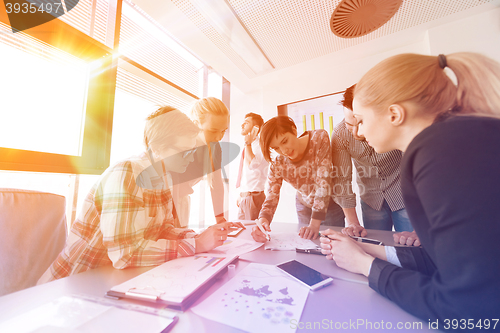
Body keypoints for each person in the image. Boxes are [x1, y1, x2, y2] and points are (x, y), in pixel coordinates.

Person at [320, 53, 500, 325]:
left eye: (362, 120)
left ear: (394, 114)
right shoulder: (456, 138)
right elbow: (441, 259)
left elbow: (467, 312)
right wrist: (362, 250)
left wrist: (364, 266)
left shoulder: (439, 154)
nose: (359, 132)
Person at [38, 106, 241, 283]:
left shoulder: (164, 178)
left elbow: (162, 230)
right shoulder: (127, 172)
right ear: (157, 147)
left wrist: (201, 235)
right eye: (183, 151)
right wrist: (196, 244)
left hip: (112, 279)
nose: (191, 158)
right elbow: (124, 255)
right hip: (77, 280)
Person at [332, 84, 418, 246]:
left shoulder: (394, 123)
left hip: (404, 195)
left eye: (361, 123)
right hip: (371, 199)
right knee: (375, 246)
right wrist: (352, 222)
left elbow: (416, 168)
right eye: (350, 126)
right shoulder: (340, 134)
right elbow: (342, 179)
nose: (357, 133)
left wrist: (421, 223)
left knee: (412, 247)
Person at [251, 116, 344, 241]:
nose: (283, 150)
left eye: (284, 141)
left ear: (294, 130)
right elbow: (272, 196)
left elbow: (323, 183)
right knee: (307, 245)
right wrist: (263, 220)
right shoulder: (278, 163)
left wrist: (314, 225)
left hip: (330, 204)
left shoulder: (319, 138)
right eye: (276, 148)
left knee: (332, 245)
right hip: (304, 206)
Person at [170, 97, 229, 227]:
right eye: (213, 131)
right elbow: (172, 186)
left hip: (181, 200)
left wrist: (220, 219)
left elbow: (216, 184)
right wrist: (175, 224)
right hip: (164, 202)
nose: (219, 137)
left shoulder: (214, 147)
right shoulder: (180, 144)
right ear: (196, 124)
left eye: (223, 131)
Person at [236, 113, 268, 220]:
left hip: (254, 197)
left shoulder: (260, 145)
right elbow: (246, 174)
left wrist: (248, 143)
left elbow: (252, 165)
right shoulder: (249, 145)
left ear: (255, 128)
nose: (242, 125)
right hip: (245, 196)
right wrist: (241, 194)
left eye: (246, 123)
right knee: (241, 231)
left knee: (253, 233)